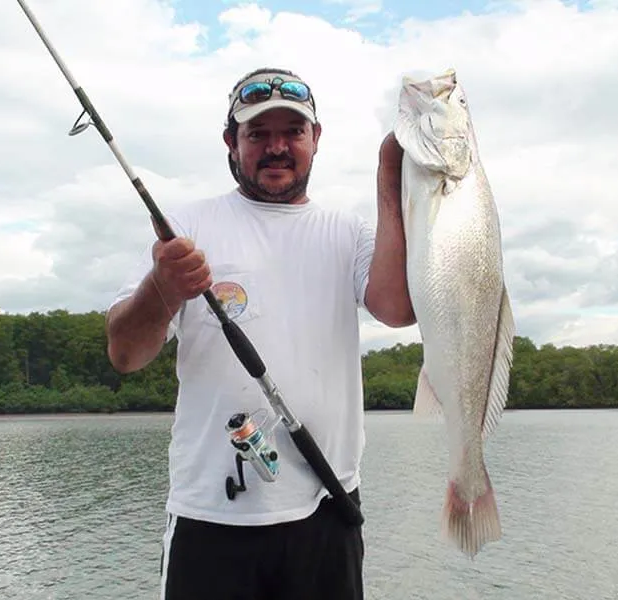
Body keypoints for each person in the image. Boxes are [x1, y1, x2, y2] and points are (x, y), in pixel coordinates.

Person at [105, 66, 415, 600]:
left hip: (327, 507)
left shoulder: (347, 232)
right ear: (231, 142)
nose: (277, 147)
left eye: (292, 132)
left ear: (316, 139)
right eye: (258, 134)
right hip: (209, 518)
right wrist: (164, 284)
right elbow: (126, 354)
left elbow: (396, 309)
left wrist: (390, 174)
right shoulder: (185, 227)